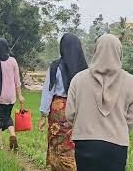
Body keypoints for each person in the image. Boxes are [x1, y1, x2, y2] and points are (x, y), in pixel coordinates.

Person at [66, 34, 133, 171]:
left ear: (96, 51)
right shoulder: (131, 81)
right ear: (120, 53)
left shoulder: (78, 79)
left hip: (85, 143)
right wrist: (118, 130)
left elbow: (70, 114)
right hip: (117, 145)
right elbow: (132, 120)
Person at [38, 33, 88, 171]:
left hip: (58, 110)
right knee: (74, 144)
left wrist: (43, 115)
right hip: (78, 109)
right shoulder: (84, 69)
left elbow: (48, 91)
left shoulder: (55, 66)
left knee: (56, 143)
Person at [0, 38, 25, 150]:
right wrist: (20, 96)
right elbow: (17, 80)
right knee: (7, 117)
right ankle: (12, 135)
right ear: (7, 47)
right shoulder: (13, 61)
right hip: (10, 96)